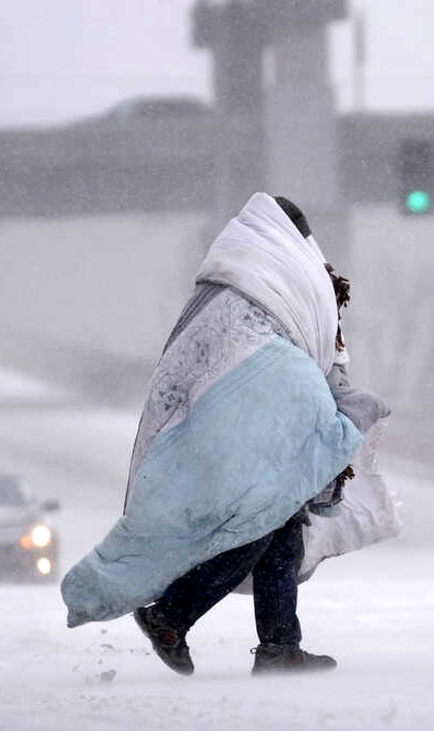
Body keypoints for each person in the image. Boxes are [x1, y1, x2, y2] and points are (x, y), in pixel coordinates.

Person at [60, 193, 399, 675]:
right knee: (260, 520)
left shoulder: (231, 281)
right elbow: (302, 352)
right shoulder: (282, 279)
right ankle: (172, 614)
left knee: (280, 526)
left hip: (220, 418)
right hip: (247, 420)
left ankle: (280, 645)